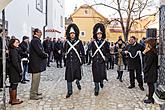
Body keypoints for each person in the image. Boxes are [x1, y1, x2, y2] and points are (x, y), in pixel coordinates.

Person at [64, 23, 85, 98]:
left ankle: (78, 82)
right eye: (71, 33)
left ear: (75, 34)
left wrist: (82, 60)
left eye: (73, 33)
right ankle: (69, 91)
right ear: (69, 34)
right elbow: (64, 51)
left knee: (77, 76)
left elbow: (82, 52)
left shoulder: (79, 42)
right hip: (69, 62)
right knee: (69, 77)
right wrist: (65, 58)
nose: (72, 35)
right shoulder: (67, 42)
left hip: (76, 62)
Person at [28, 28, 48, 100]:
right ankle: (33, 94)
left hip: (36, 64)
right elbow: (39, 52)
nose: (41, 33)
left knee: (37, 79)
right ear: (36, 33)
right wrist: (46, 55)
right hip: (35, 64)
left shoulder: (35, 40)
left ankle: (35, 92)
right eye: (40, 32)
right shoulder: (35, 41)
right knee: (35, 80)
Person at [91, 23, 109, 96]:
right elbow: (90, 51)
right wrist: (91, 56)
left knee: (101, 74)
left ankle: (101, 81)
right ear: (96, 34)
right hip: (95, 62)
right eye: (98, 34)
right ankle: (96, 88)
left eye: (100, 34)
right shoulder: (93, 43)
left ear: (102, 34)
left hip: (102, 61)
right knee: (95, 75)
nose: (99, 35)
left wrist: (106, 58)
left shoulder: (105, 43)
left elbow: (108, 52)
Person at [8, 38, 23, 105]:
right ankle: (14, 100)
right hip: (14, 70)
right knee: (14, 84)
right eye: (16, 42)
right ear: (12, 43)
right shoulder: (14, 50)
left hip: (12, 69)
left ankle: (12, 99)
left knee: (12, 84)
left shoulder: (13, 50)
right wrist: (20, 71)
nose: (18, 44)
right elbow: (15, 62)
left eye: (18, 42)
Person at [143, 37, 158, 104]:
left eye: (146, 44)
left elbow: (148, 63)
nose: (145, 45)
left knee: (150, 85)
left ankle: (150, 98)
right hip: (151, 71)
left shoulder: (150, 53)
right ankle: (150, 96)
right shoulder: (151, 51)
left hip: (151, 72)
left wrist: (144, 70)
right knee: (150, 85)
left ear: (149, 44)